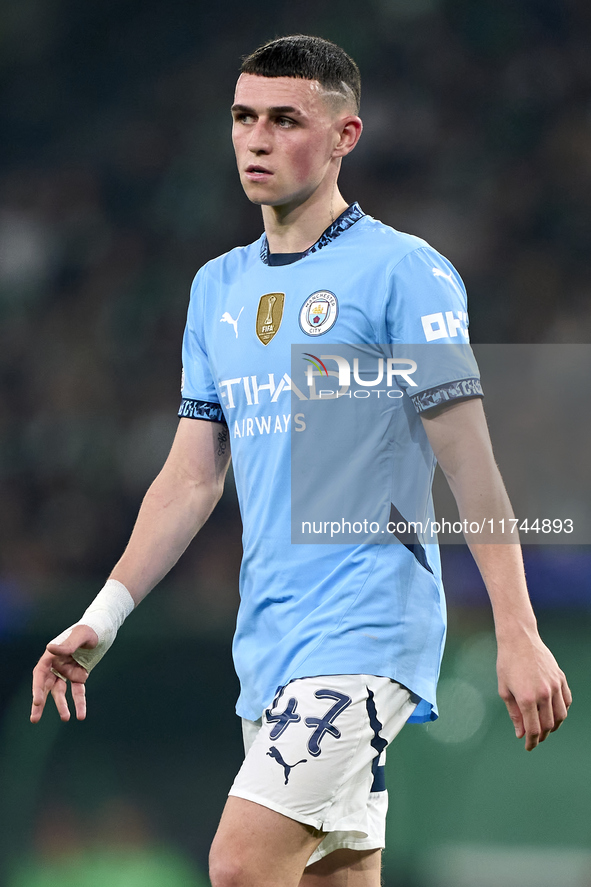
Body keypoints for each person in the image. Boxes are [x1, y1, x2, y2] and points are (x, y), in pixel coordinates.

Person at [31, 35, 571, 887]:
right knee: (333, 878)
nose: (256, 138)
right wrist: (104, 614)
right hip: (271, 641)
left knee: (240, 865)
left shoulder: (404, 271)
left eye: (285, 120)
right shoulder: (217, 288)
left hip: (367, 627)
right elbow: (191, 476)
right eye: (244, 117)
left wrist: (518, 630)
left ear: (344, 135)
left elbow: (467, 458)